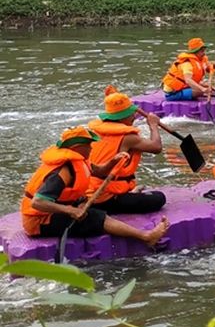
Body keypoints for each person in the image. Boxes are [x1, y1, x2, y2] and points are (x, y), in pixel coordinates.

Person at [20, 126, 169, 245]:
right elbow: (38, 202)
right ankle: (146, 237)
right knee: (97, 217)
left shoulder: (79, 161)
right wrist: (70, 211)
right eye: (88, 145)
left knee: (89, 207)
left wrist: (113, 161)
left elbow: (99, 171)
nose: (91, 148)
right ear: (78, 147)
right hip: (39, 221)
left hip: (55, 211)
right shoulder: (62, 172)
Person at [86, 89, 167, 214]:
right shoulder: (128, 138)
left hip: (88, 190)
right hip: (103, 197)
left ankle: (128, 192)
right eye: (131, 114)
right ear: (123, 117)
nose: (134, 116)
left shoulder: (95, 131)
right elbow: (156, 147)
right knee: (159, 198)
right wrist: (153, 125)